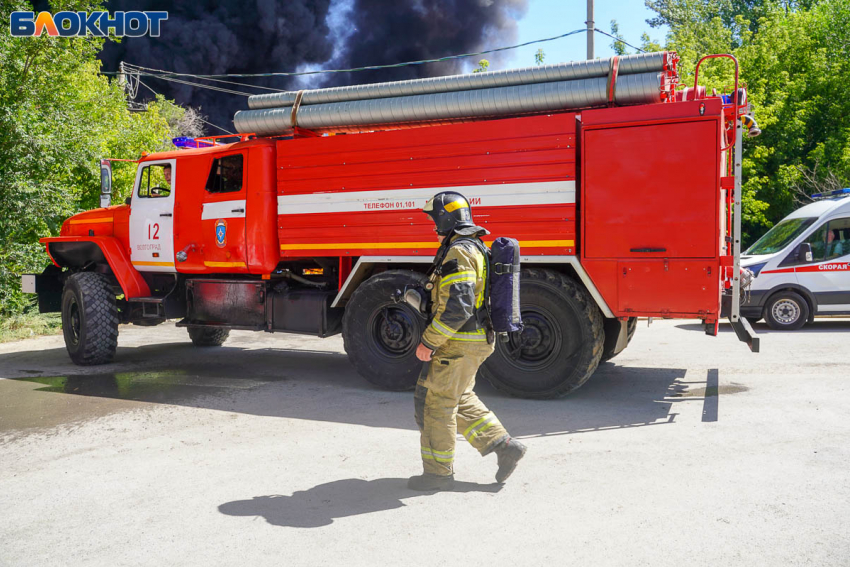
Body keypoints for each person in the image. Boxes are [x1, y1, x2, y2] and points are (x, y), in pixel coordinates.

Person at [408, 191, 526, 492]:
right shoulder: (475, 246)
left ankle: (437, 474)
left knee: (437, 405)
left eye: (435, 220)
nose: (434, 228)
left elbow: (457, 307)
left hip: (457, 342)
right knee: (458, 398)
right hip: (473, 340)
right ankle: (505, 446)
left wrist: (429, 342)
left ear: (445, 219)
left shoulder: (459, 251)